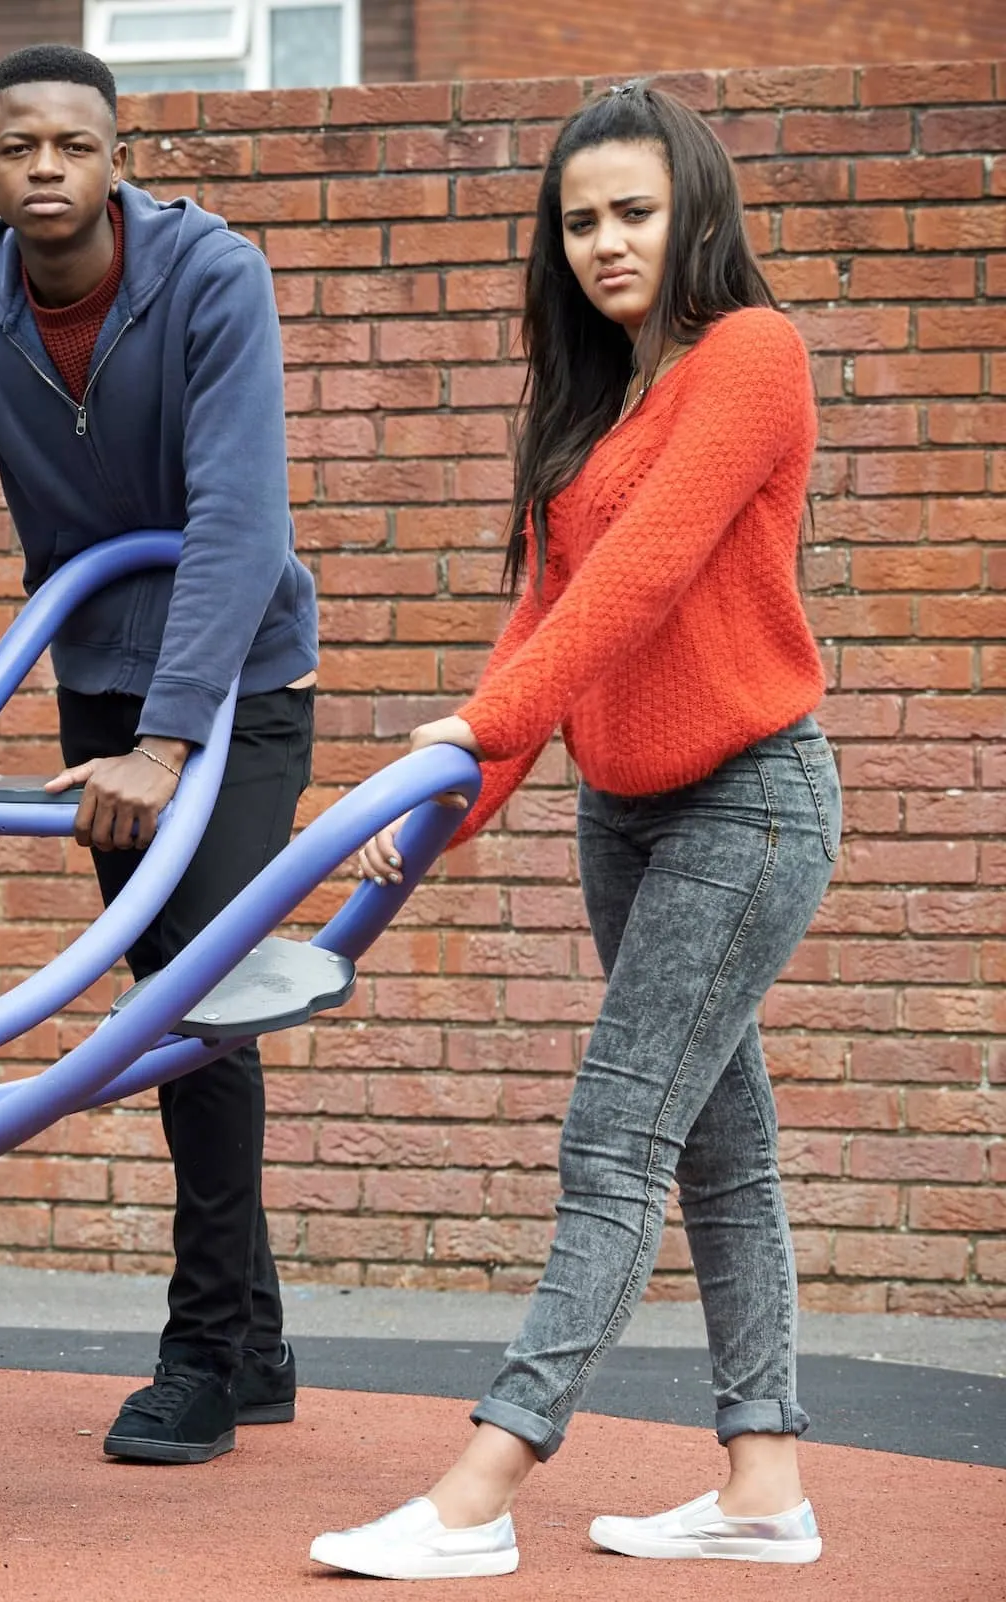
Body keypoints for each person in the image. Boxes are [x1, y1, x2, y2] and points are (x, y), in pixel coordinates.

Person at [310, 82, 835, 1579]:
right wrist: (442, 812)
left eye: (635, 211)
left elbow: (642, 586)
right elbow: (547, 618)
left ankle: (485, 1483)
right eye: (582, 219)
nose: (607, 241)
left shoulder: (754, 356)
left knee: (615, 1137)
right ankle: (764, 1481)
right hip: (627, 815)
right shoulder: (590, 400)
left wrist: (466, 733)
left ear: (697, 213)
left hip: (751, 801)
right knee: (719, 1154)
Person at [0, 44, 318, 1467]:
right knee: (164, 994)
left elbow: (244, 518)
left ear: (116, 156)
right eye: (20, 147)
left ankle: (201, 1351)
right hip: (97, 684)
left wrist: (174, 737)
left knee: (198, 999)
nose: (48, 167)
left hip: (239, 676)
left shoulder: (211, 278)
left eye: (76, 142)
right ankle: (253, 1341)